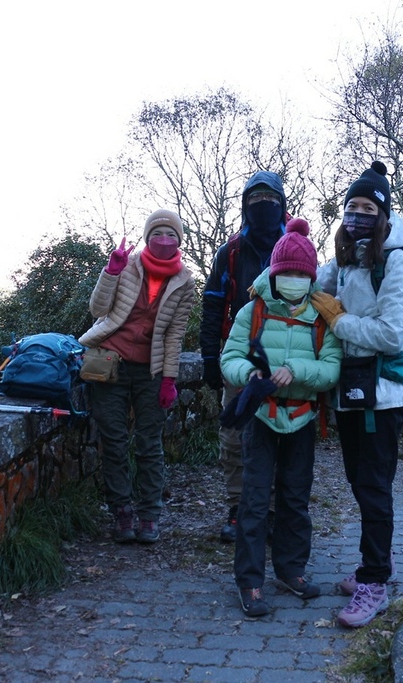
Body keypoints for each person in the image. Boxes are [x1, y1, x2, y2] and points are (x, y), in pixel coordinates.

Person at [311, 161, 403, 628]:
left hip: (383, 396)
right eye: (352, 206)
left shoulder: (399, 262)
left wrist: (338, 321)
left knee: (374, 490)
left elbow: (394, 334)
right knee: (361, 485)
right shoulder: (347, 260)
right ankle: (373, 565)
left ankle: (374, 581)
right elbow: (305, 286)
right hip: (350, 393)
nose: (358, 214)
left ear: (384, 213)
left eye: (368, 207)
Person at [221, 218, 342, 617]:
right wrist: (249, 373)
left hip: (303, 419)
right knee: (254, 502)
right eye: (285, 272)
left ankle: (291, 570)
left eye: (299, 274)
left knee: (295, 499)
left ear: (310, 278)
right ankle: (250, 582)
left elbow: (331, 369)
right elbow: (230, 358)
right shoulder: (252, 311)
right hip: (261, 417)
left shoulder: (323, 318)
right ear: (273, 275)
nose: (292, 279)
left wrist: (297, 369)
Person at [78, 209, 196, 544]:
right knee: (113, 442)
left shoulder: (185, 282)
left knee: (149, 444)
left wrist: (169, 380)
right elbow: (98, 310)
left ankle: (149, 515)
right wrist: (110, 271)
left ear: (179, 241)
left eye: (171, 235)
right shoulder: (127, 266)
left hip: (151, 370)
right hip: (109, 363)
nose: (164, 240)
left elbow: (175, 335)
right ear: (147, 237)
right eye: (157, 234)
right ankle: (122, 513)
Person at [201, 171, 288, 543]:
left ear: (282, 204)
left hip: (287, 356)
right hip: (239, 355)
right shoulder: (230, 252)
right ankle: (238, 510)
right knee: (234, 434)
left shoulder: (295, 246)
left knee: (280, 434)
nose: (262, 206)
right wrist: (209, 358)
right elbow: (212, 305)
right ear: (243, 205)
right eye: (254, 200)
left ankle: (270, 512)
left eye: (269, 198)